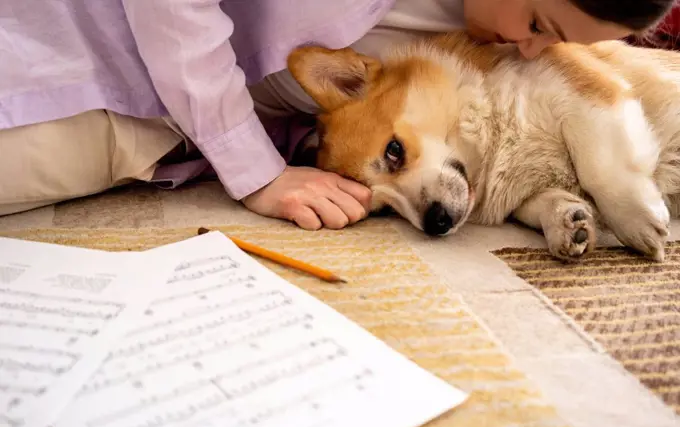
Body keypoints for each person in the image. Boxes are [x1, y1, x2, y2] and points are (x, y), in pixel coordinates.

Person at [0, 0, 675, 229]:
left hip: (172, 132)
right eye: (536, 21)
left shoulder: (463, 50)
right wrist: (253, 168)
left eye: (553, 41)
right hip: (93, 64)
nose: (532, 46)